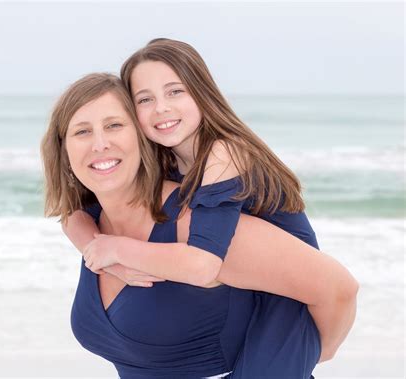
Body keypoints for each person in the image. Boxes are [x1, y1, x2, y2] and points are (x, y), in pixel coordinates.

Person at [63, 38, 358, 372]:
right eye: (145, 99)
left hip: (287, 303)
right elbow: (74, 212)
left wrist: (320, 348)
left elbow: (203, 265)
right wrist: (97, 249)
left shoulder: (225, 153)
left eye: (175, 91)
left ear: (201, 92)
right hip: (251, 293)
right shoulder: (164, 159)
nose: (161, 108)